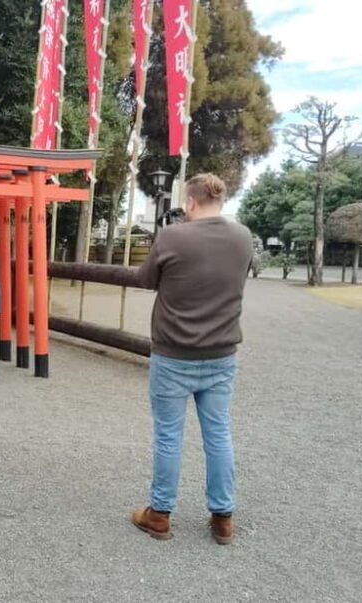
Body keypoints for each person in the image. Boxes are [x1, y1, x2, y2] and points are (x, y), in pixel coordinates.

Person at [130, 173, 253, 545]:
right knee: (218, 434)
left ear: (192, 202)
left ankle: (160, 514)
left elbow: (145, 279)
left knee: (169, 435)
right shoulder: (243, 237)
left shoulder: (172, 236)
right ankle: (222, 517)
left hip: (173, 353)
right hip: (220, 353)